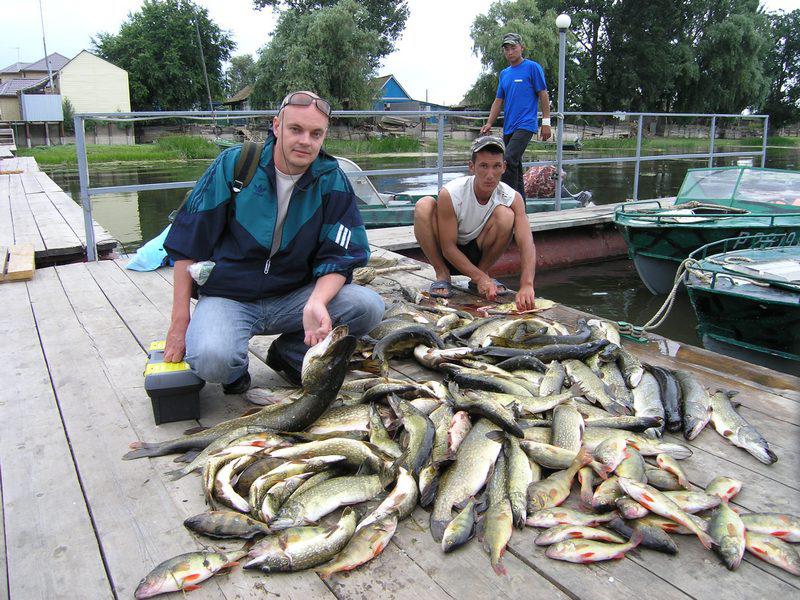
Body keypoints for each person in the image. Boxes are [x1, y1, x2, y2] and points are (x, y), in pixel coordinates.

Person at [162, 90, 384, 392]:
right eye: (296, 129)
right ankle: (235, 372)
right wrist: (179, 321)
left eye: (315, 133)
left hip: (295, 295)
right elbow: (187, 243)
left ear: (324, 136)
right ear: (277, 126)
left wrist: (317, 301)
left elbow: (342, 256)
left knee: (367, 305)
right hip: (231, 295)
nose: (305, 141)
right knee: (212, 359)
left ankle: (289, 352)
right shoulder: (234, 165)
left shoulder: (332, 179)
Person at [413, 135, 536, 310]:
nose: (490, 175)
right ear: (472, 167)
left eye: (496, 167)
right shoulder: (451, 193)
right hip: (447, 254)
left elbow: (527, 243)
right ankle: (442, 275)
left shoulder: (512, 197)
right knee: (423, 205)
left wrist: (527, 284)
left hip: (478, 253)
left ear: (504, 167)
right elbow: (448, 248)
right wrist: (482, 279)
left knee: (506, 215)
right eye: (483, 166)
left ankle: (481, 272)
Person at [480, 32, 552, 198]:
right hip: (509, 127)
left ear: (521, 48)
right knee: (516, 167)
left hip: (526, 124)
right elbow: (498, 100)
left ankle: (507, 202)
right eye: (506, 49)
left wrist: (546, 123)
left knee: (508, 160)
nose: (510, 52)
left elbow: (543, 94)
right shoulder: (504, 74)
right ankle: (521, 211)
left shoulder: (532, 67)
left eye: (513, 47)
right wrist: (490, 122)